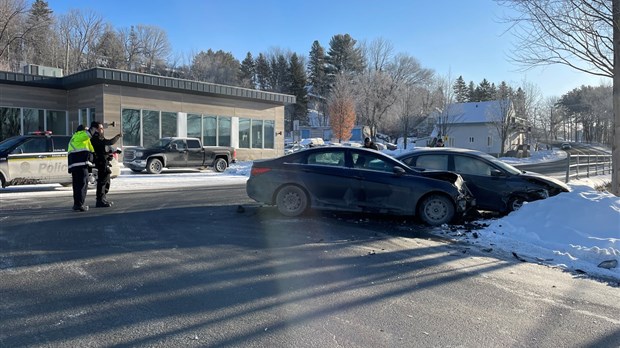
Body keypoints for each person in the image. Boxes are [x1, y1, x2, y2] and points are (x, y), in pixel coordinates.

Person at [90, 121, 122, 208]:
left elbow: (105, 146)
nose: (102, 130)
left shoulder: (100, 137)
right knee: (102, 181)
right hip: (100, 162)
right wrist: (118, 136)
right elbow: (109, 142)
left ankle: (103, 198)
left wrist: (111, 152)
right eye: (100, 128)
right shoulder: (95, 138)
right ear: (96, 129)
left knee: (106, 180)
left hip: (104, 161)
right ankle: (100, 200)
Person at [67, 124, 95, 211]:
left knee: (76, 186)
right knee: (83, 185)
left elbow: (91, 149)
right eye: (86, 130)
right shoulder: (81, 135)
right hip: (81, 165)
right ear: (82, 130)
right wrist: (93, 127)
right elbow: (89, 134)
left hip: (74, 166)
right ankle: (80, 204)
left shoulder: (75, 138)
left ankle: (76, 204)